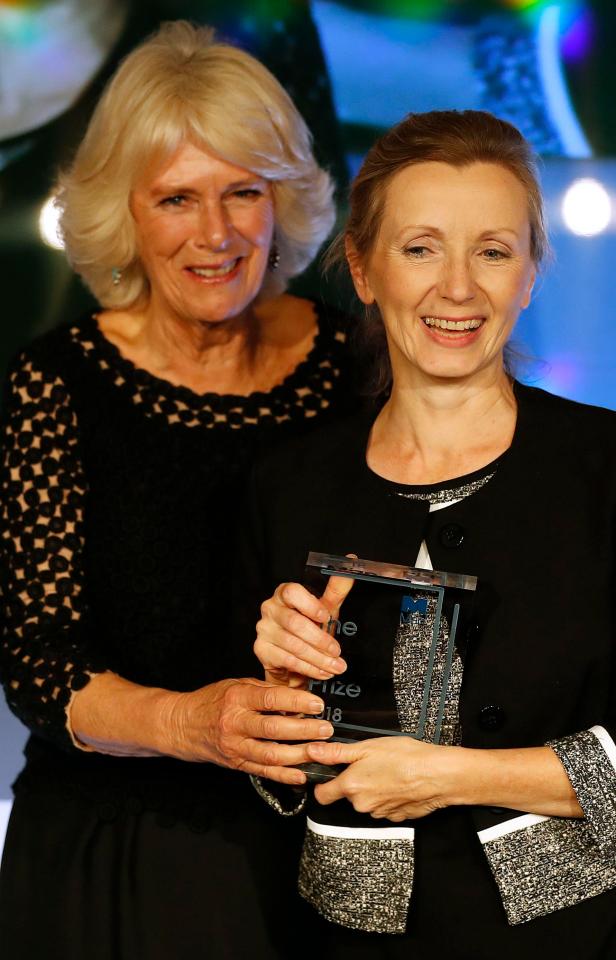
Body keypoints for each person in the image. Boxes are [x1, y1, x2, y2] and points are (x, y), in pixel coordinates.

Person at [0, 20, 355, 960]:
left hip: (330, 848)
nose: (215, 233)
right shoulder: (55, 384)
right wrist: (196, 723)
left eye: (245, 191)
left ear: (282, 203)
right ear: (126, 211)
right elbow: (37, 665)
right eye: (176, 199)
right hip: (119, 851)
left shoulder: (355, 364)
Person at [248, 110, 616, 958]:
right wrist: (278, 701)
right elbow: (275, 791)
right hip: (338, 937)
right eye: (420, 248)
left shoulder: (604, 470)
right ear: (362, 269)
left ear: (531, 273)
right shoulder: (287, 484)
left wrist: (454, 777)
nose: (459, 288)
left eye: (493, 250)